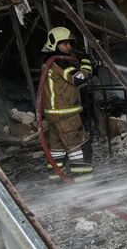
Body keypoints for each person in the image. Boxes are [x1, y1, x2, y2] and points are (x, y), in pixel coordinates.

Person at [40, 27, 97, 180]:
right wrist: (86, 63)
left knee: (57, 151)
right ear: (54, 44)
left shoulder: (48, 61)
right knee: (81, 148)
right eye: (64, 44)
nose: (69, 47)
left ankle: (55, 181)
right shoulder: (59, 61)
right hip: (66, 115)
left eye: (70, 43)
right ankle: (84, 185)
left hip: (54, 115)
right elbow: (78, 78)